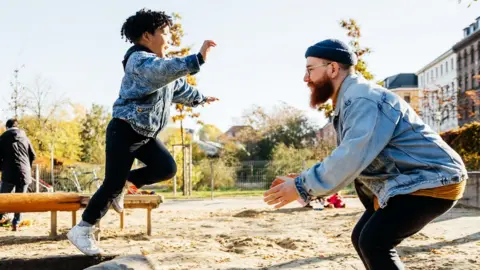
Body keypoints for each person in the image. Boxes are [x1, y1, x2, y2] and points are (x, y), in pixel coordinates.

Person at [263, 39, 467, 270]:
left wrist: (302, 186)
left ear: (332, 68)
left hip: (431, 178)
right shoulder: (352, 99)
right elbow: (350, 155)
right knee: (363, 238)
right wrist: (305, 177)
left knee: (374, 242)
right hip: (412, 180)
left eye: (310, 69)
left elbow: (351, 157)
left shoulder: (362, 98)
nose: (305, 78)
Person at [67, 9, 218, 255]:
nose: (169, 39)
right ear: (147, 36)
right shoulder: (139, 61)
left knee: (167, 168)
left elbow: (180, 87)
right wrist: (197, 58)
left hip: (145, 134)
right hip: (125, 130)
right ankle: (82, 229)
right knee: (112, 183)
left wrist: (201, 98)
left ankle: (128, 184)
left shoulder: (160, 68)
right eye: (165, 33)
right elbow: (165, 70)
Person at [0, 118, 37, 231]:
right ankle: (16, 222)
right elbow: (33, 155)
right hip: (24, 173)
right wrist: (27, 167)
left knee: (3, 197)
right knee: (20, 199)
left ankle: (1, 218)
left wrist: (2, 168)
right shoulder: (25, 138)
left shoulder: (2, 138)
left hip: (8, 173)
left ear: (7, 127)